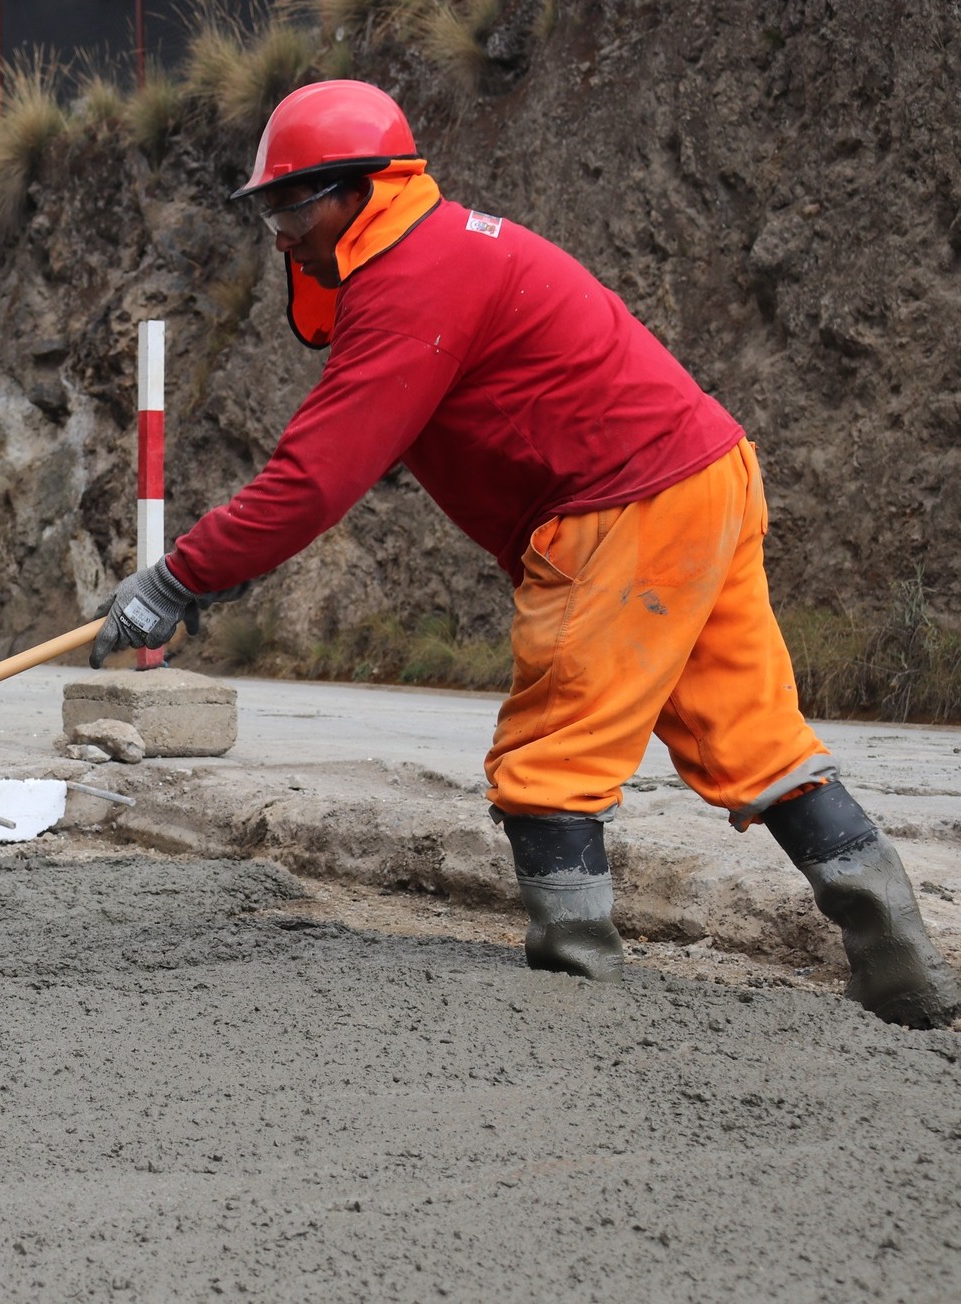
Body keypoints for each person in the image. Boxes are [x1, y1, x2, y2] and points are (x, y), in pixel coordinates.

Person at [91, 80, 960, 1028]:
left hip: (622, 503)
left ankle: (573, 996)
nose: (276, 230)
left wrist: (176, 580)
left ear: (357, 190)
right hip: (703, 474)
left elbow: (314, 480)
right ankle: (903, 977)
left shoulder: (411, 280)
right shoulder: (447, 246)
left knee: (550, 760)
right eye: (265, 206)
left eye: (288, 203)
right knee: (755, 742)